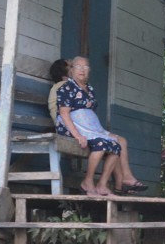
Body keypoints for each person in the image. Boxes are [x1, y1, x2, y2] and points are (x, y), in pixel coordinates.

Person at [55, 56, 148, 196]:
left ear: (89, 70)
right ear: (72, 70)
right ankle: (87, 181)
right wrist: (77, 135)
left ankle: (102, 185)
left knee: (116, 144)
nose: (82, 70)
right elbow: (64, 113)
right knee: (102, 144)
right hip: (72, 128)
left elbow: (89, 114)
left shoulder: (89, 88)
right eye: (78, 66)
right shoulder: (67, 87)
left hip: (90, 128)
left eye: (85, 67)